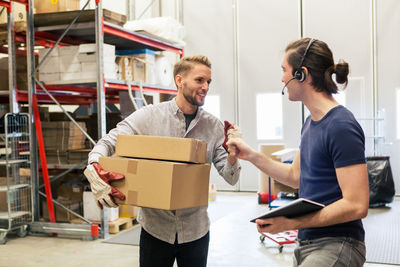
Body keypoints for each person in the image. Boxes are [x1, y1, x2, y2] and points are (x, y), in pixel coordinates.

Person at [86, 55, 241, 267]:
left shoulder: (213, 126)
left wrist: (233, 155)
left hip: (196, 232)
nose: (205, 86)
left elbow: (231, 178)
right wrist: (93, 165)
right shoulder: (149, 117)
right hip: (156, 231)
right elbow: (109, 141)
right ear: (179, 80)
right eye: (199, 80)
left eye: (208, 82)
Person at [227, 38, 369, 267]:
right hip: (306, 243)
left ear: (302, 74)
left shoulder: (341, 126)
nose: (282, 78)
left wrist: (290, 222)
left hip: (338, 243)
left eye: (284, 70)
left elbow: (357, 205)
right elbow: (295, 176)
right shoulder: (311, 123)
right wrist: (252, 155)